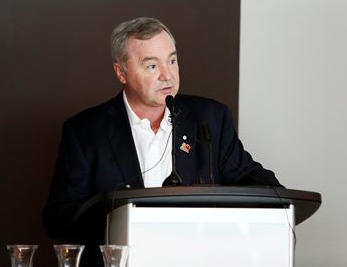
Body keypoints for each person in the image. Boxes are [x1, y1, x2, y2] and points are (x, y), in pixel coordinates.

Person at [43, 17, 283, 266]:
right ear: (121, 72)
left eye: (172, 60)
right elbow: (59, 216)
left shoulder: (210, 119)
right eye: (152, 66)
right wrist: (116, 216)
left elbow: (255, 180)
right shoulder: (86, 131)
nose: (167, 75)